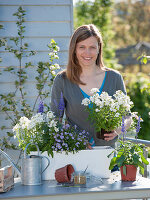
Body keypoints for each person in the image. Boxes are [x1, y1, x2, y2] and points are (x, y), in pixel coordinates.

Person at [50, 24, 131, 148]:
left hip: (108, 154)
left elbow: (127, 117)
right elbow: (55, 120)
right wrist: (73, 140)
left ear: (99, 48)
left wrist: (119, 129)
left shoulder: (114, 78)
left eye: (92, 47)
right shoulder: (62, 80)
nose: (87, 52)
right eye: (82, 47)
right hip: (75, 152)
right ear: (74, 49)